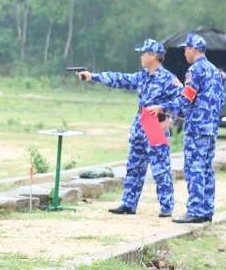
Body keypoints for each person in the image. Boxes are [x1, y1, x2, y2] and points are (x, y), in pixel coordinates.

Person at [76, 39, 181, 217]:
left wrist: (169, 117)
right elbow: (120, 78)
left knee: (160, 169)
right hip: (141, 124)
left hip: (156, 126)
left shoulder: (168, 79)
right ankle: (128, 203)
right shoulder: (142, 76)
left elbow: (182, 99)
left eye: (144, 53)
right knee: (134, 167)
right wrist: (93, 76)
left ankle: (166, 206)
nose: (141, 56)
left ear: (153, 56)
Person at [148, 33, 224, 224]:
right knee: (207, 167)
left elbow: (186, 97)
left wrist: (163, 108)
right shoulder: (214, 70)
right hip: (211, 127)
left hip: (196, 128)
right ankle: (206, 209)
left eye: (185, 49)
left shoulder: (195, 70)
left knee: (194, 167)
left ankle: (195, 210)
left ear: (193, 49)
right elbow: (221, 99)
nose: (183, 53)